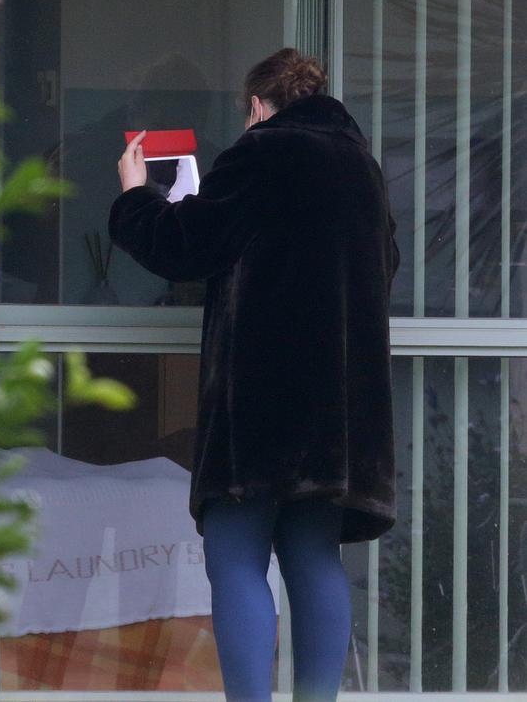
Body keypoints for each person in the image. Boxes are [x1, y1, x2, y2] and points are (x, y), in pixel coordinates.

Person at [109, 47, 401, 702]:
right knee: (314, 558)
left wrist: (135, 197)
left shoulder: (260, 151)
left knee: (235, 555)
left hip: (260, 405)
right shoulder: (363, 167)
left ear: (256, 107)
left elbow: (186, 245)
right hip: (338, 412)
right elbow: (387, 265)